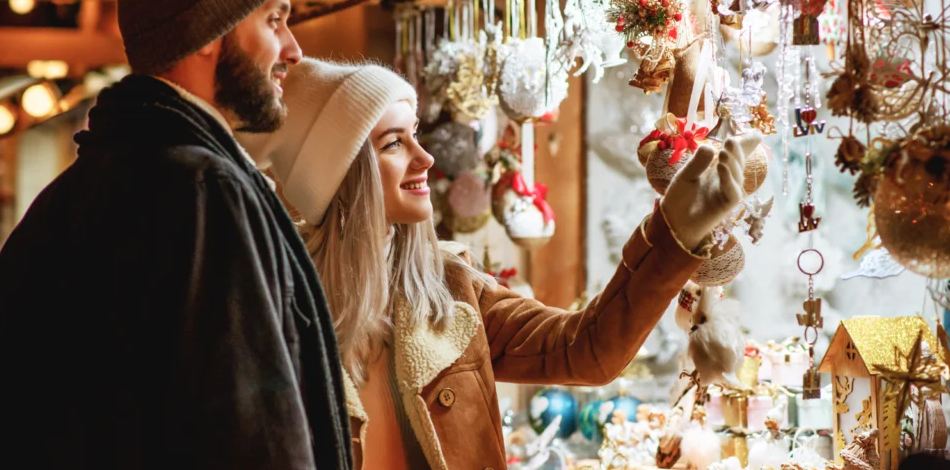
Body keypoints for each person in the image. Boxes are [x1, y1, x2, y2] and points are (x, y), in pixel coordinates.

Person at [237, 57, 762, 470]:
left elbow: (587, 350)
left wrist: (674, 232)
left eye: (416, 133)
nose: (426, 159)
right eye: (394, 144)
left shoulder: (450, 287)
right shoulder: (276, 309)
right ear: (339, 174)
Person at [0, 0, 352, 470]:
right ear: (205, 34)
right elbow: (254, 436)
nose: (293, 49)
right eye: (274, 20)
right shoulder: (206, 192)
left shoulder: (52, 209)